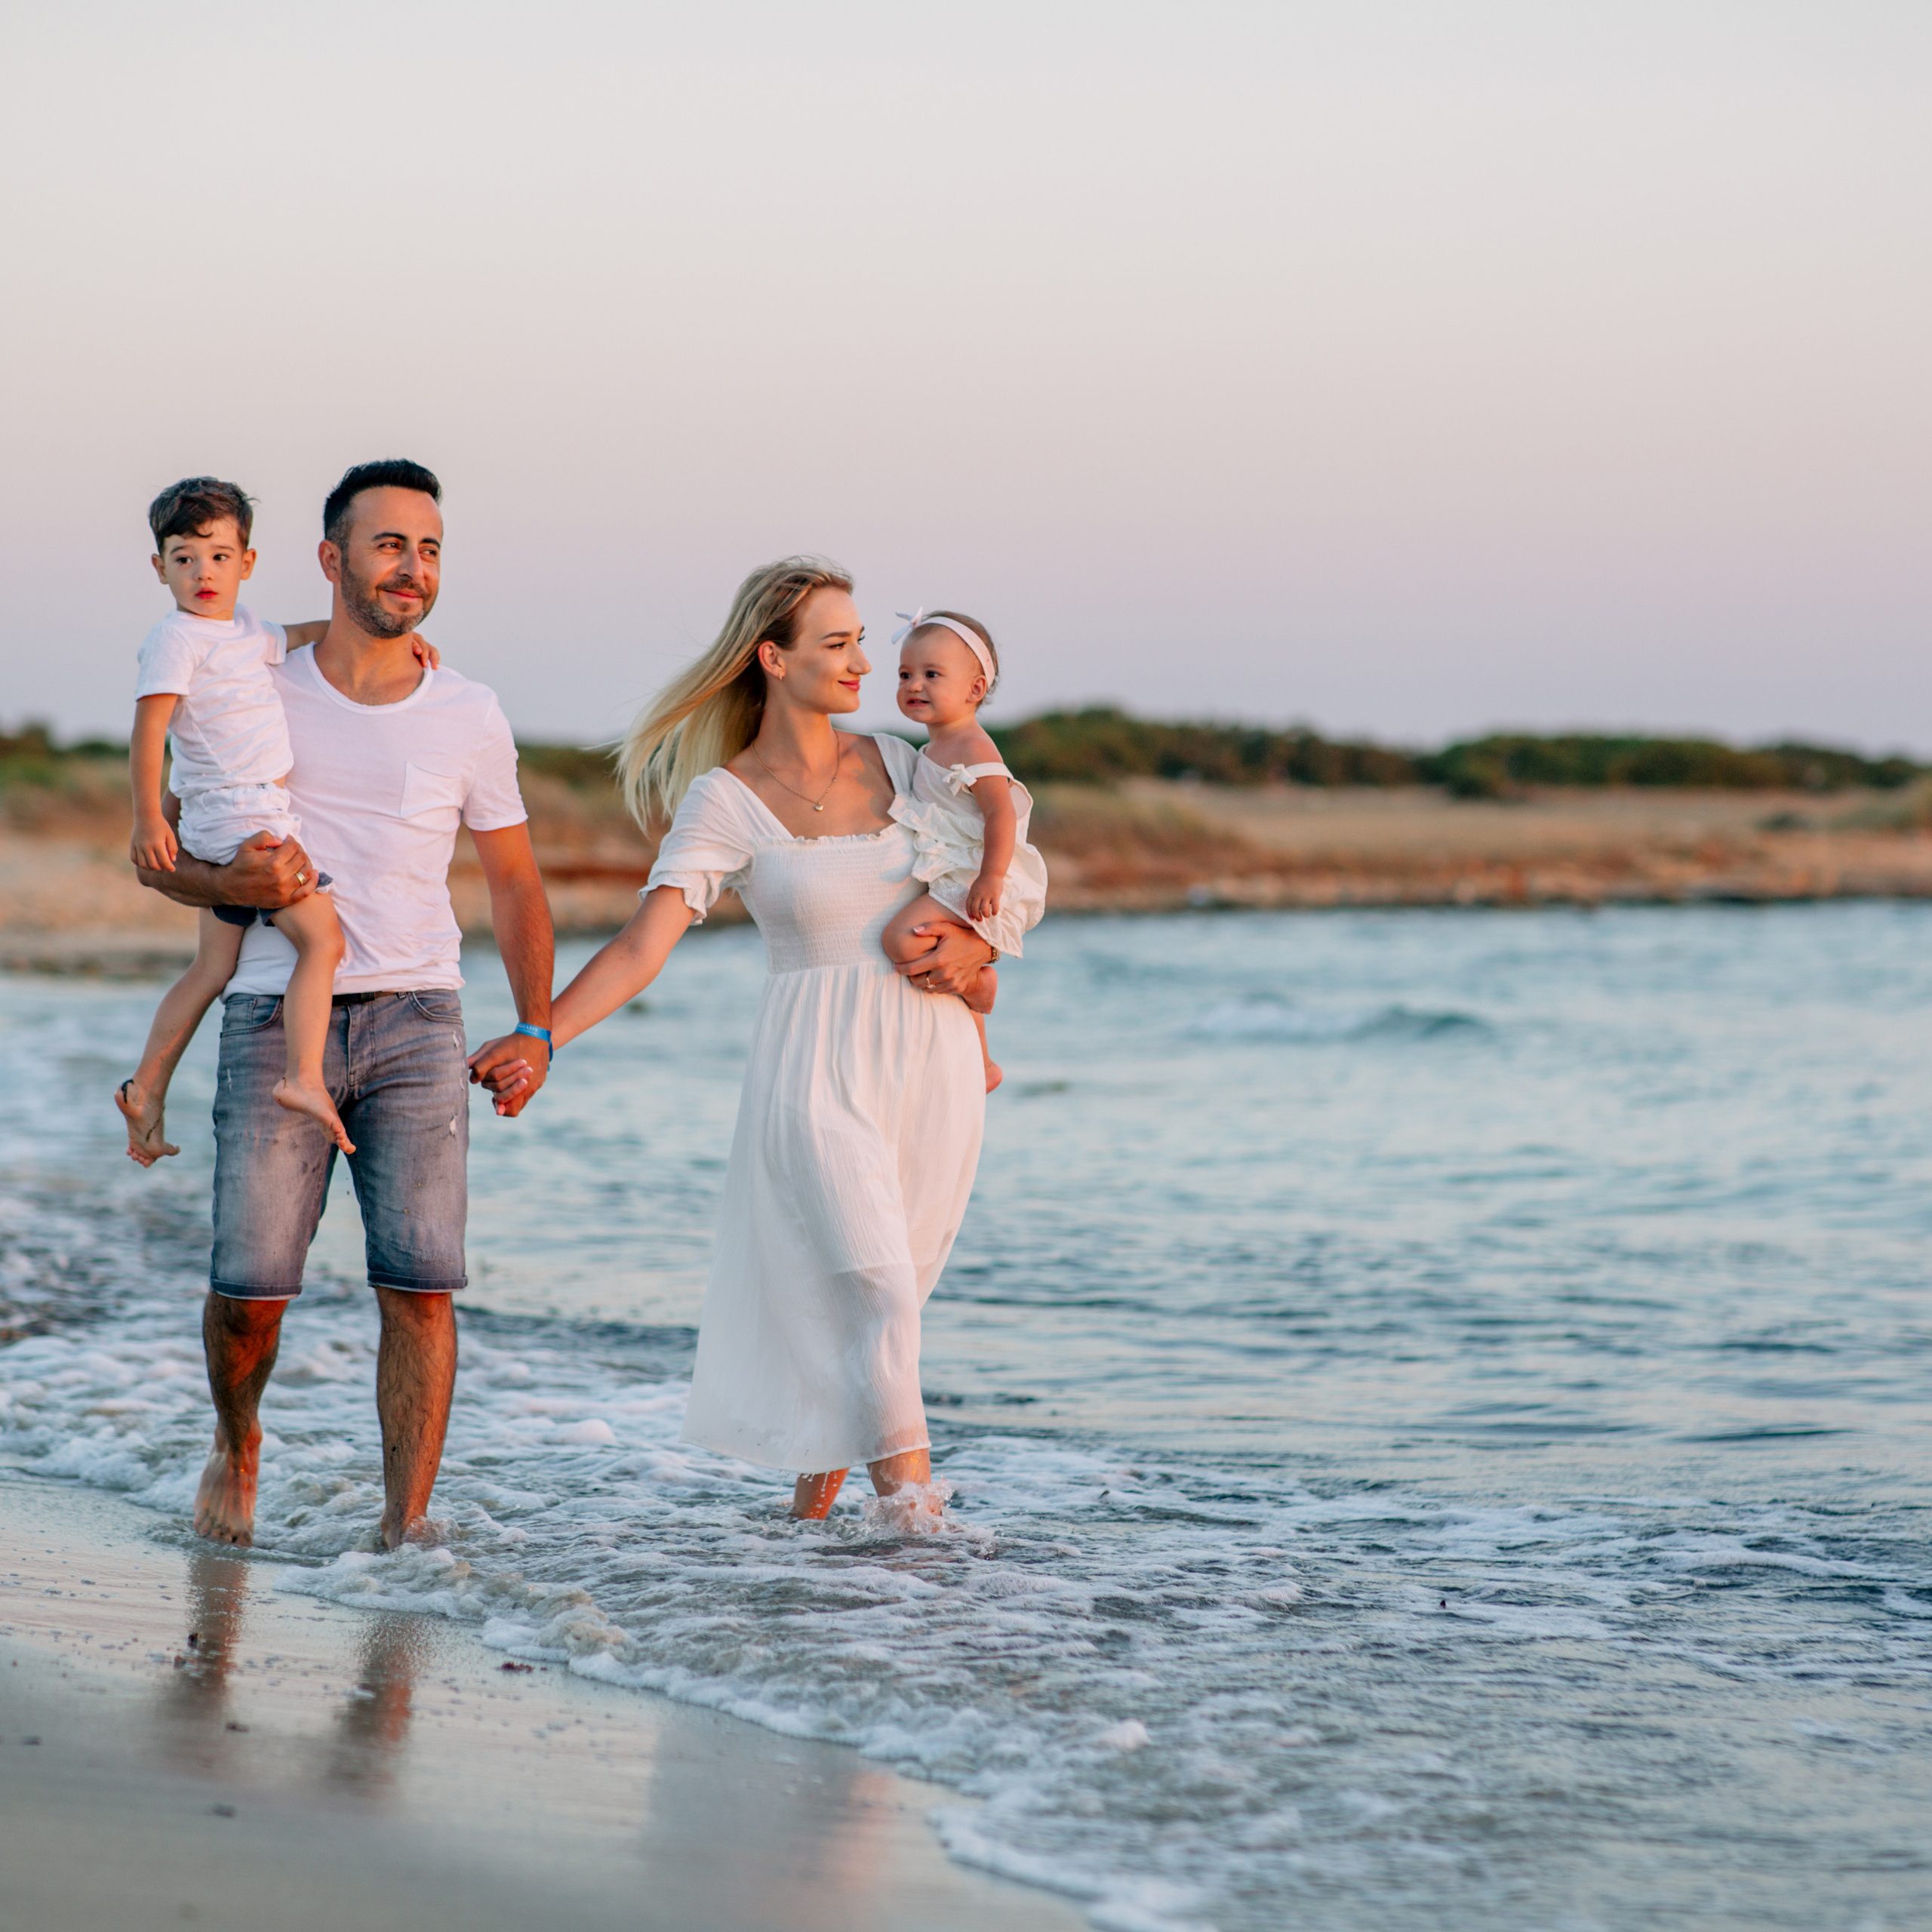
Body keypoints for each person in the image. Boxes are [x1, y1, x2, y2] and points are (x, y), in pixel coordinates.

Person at [468, 558, 997, 1521]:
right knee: (876, 1292)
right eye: (836, 644)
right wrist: (542, 1034)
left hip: (932, 1063)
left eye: (861, 642)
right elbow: (642, 946)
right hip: (816, 1072)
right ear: (773, 659)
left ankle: (808, 1530)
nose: (863, 663)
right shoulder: (725, 798)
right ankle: (918, 1544)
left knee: (879, 1309)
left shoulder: (900, 762)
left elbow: (987, 869)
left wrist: (980, 948)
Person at [134, 458, 555, 1550]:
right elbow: (164, 861)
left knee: (421, 1287)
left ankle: (403, 1533)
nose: (413, 568)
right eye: (389, 545)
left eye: (430, 548)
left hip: (422, 1020)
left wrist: (537, 1026)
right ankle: (238, 1439)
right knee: (250, 1295)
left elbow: (514, 881)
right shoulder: (248, 678)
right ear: (331, 558)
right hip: (271, 1010)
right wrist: (231, 883)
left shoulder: (469, 710)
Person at [116, 477, 436, 1167]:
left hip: (238, 811)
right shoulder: (176, 638)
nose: (204, 573)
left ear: (247, 563)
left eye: (220, 557)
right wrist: (147, 819)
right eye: (185, 559)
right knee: (324, 941)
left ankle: (146, 1088)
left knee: (211, 967)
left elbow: (309, 635)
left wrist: (403, 643)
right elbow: (150, 731)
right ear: (160, 568)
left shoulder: (245, 631)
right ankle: (302, 1075)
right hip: (242, 816)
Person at [881, 607, 1048, 1093]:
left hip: (972, 875)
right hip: (953, 871)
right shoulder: (934, 747)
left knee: (901, 938)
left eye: (932, 675)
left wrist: (990, 878)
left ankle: (979, 982)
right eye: (905, 675)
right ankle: (984, 1062)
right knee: (934, 950)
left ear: (975, 689)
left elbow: (1002, 814)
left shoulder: (973, 747)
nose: (915, 685)